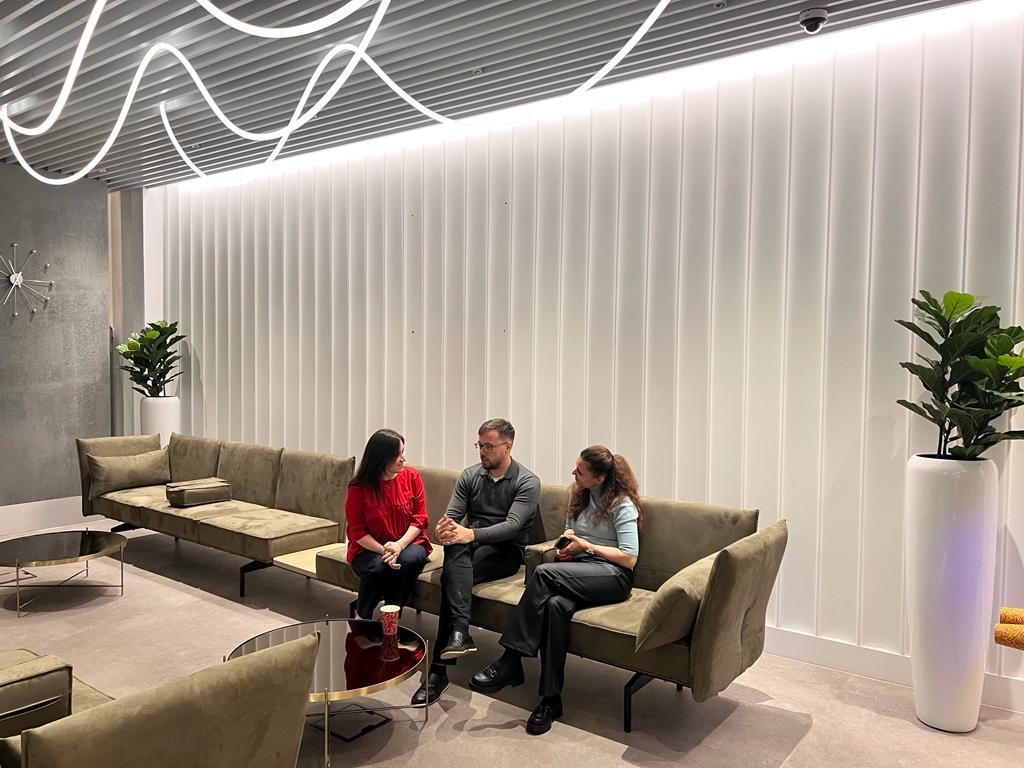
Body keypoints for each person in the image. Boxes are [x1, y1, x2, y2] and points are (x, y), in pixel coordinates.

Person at [469, 445, 641, 735]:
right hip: (580, 571)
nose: (574, 474)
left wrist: (587, 546)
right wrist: (568, 544)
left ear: (599, 478)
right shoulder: (579, 495)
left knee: (544, 573)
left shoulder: (621, 505)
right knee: (554, 606)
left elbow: (629, 557)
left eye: (580, 472)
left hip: (613, 577)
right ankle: (551, 700)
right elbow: (571, 532)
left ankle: (512, 659)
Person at [410, 418, 541, 706]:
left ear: (508, 446)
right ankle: (459, 634)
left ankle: (438, 671)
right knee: (455, 558)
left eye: (488, 446)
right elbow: (452, 517)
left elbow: (512, 526)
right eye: (479, 445)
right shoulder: (470, 476)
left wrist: (469, 534)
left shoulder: (527, 482)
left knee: (451, 576)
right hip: (472, 547)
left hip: (506, 553)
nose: (482, 451)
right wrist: (444, 530)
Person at [345, 429, 431, 621]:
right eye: (398, 454)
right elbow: (357, 531)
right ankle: (362, 618)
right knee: (378, 567)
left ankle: (390, 619)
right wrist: (384, 550)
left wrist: (399, 545)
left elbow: (420, 519)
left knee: (407, 561)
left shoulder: (412, 477)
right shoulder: (359, 488)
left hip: (409, 543)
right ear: (381, 457)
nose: (403, 458)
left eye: (403, 451)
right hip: (369, 548)